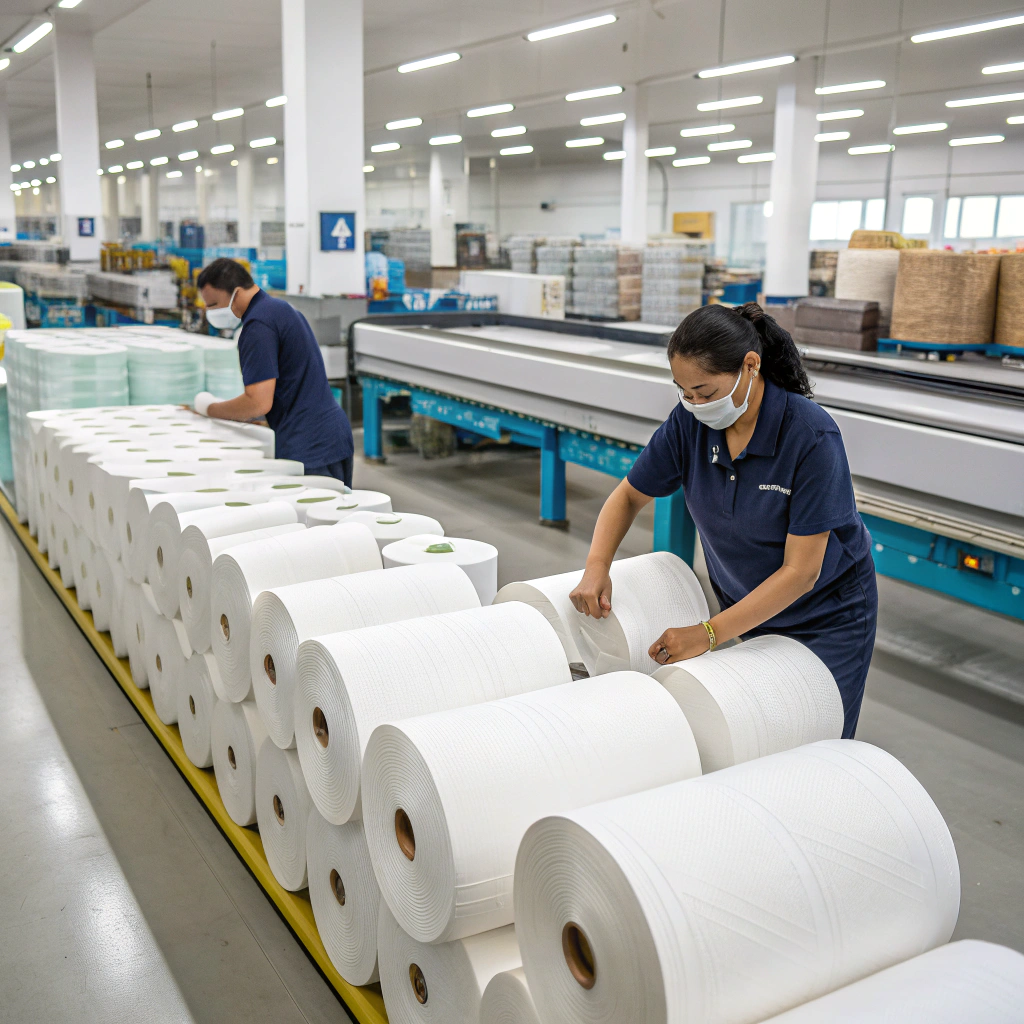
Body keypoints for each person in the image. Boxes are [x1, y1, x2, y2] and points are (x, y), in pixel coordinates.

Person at [570, 302, 877, 738]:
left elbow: (801, 571)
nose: (695, 404)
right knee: (758, 732)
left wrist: (709, 634)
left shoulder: (810, 437)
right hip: (748, 608)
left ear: (751, 366)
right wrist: (597, 566)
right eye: (683, 391)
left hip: (825, 616)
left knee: (815, 736)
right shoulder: (690, 424)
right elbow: (627, 496)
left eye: (706, 392)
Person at [193, 257, 354, 484]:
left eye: (213, 305)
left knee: (310, 516)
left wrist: (211, 409)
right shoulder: (279, 309)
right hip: (331, 434)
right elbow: (287, 385)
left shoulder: (257, 327)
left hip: (308, 445)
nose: (210, 313)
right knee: (333, 514)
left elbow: (258, 402)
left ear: (236, 293)